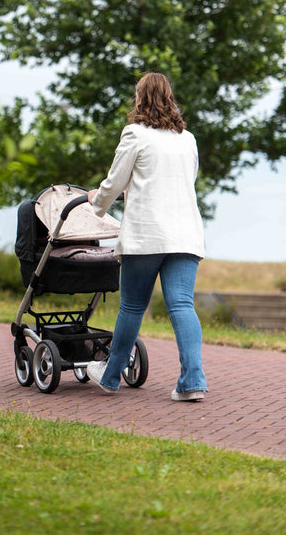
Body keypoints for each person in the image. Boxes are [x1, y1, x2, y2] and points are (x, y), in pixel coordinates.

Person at [86, 72, 208, 401]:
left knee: (132, 307)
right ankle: (193, 381)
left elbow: (114, 182)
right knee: (182, 305)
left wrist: (95, 202)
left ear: (139, 98)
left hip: (147, 236)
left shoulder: (135, 135)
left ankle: (110, 377)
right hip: (185, 235)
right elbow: (180, 183)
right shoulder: (188, 139)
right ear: (170, 98)